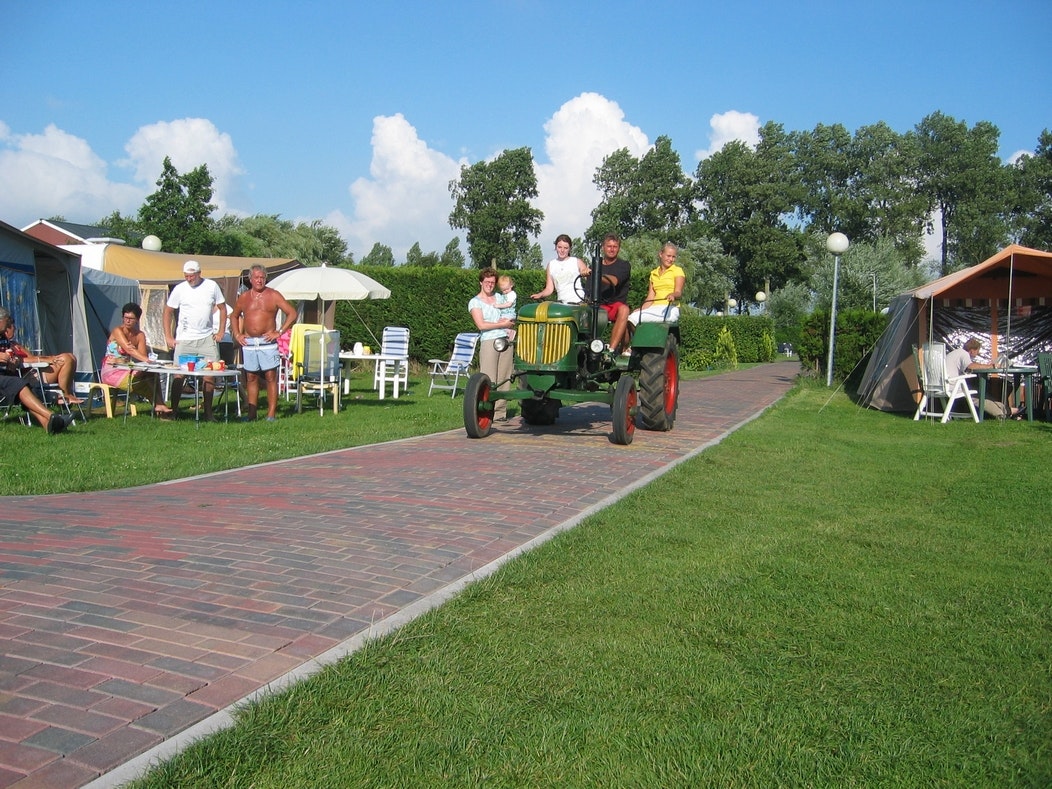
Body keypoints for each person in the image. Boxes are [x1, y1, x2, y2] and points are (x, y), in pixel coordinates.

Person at [229, 264, 298, 422]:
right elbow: (234, 316)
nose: (260, 280)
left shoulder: (273, 295)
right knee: (251, 377)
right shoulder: (244, 297)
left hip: (268, 342)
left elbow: (292, 313)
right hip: (250, 343)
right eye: (257, 278)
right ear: (250, 279)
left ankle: (271, 414)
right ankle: (252, 414)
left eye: (262, 278)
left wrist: (279, 332)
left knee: (270, 376)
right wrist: (237, 334)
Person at [163, 260, 227, 421]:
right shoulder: (180, 289)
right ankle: (174, 411)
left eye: (192, 276)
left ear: (199, 273)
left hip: (206, 338)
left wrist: (220, 332)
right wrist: (169, 336)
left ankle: (208, 413)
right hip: (185, 339)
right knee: (179, 376)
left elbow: (223, 308)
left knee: (209, 375)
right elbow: (168, 311)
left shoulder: (211, 286)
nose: (189, 279)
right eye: (186, 276)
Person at [0, 307, 72, 433]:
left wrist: (14, 360)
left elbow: (15, 356)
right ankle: (52, 416)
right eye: (7, 322)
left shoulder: (4, 338)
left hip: (5, 374)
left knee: (27, 389)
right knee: (18, 384)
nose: (8, 326)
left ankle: (49, 425)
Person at [99, 303, 173, 416]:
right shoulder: (117, 331)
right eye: (125, 317)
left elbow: (142, 356)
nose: (127, 321)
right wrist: (147, 360)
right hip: (112, 370)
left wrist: (146, 360)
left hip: (127, 369)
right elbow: (130, 351)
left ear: (137, 320)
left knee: (152, 374)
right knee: (147, 378)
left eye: (131, 318)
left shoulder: (139, 335)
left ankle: (160, 405)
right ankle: (159, 404)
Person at [0, 314, 82, 405]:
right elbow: (22, 360)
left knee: (71, 357)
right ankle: (64, 396)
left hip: (33, 371)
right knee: (66, 359)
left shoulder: (16, 345)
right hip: (24, 377)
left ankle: (65, 394)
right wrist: (46, 360)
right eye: (11, 326)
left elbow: (31, 357)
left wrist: (49, 358)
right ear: (7, 330)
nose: (14, 329)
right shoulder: (6, 348)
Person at [468, 267, 516, 421]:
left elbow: (511, 314)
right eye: (487, 281)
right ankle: (485, 410)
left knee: (504, 376)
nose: (490, 284)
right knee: (488, 377)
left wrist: (510, 324)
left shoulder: (501, 298)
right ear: (481, 282)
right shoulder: (475, 302)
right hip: (489, 341)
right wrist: (501, 325)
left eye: (492, 282)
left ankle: (500, 413)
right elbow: (481, 325)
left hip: (505, 340)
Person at [628, 243, 685, 327]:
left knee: (634, 319)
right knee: (630, 318)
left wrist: (673, 295)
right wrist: (640, 309)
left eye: (673, 257)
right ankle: (637, 339)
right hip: (654, 307)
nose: (671, 259)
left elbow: (678, 292)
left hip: (670, 308)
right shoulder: (653, 273)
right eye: (668, 256)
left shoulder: (677, 271)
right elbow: (650, 297)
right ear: (661, 254)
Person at [595, 233, 632, 355]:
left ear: (618, 248)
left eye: (615, 246)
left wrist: (596, 274)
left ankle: (610, 350)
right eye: (609, 246)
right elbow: (589, 291)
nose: (611, 249)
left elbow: (614, 281)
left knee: (624, 310)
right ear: (603, 247)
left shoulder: (624, 265)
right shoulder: (595, 265)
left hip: (615, 305)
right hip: (598, 305)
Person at [531, 234, 589, 304]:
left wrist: (586, 272)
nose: (562, 250)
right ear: (556, 247)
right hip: (561, 304)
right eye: (559, 247)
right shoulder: (551, 264)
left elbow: (588, 276)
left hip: (578, 302)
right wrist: (540, 294)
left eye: (565, 248)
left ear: (570, 249)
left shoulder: (577, 261)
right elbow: (549, 288)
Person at [497, 274, 517, 339]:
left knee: (501, 324)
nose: (505, 291)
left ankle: (510, 333)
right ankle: (507, 335)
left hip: (509, 314)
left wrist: (498, 306)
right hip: (504, 314)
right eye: (503, 290)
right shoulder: (503, 294)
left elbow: (509, 304)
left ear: (511, 285)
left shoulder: (512, 294)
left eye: (507, 289)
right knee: (498, 324)